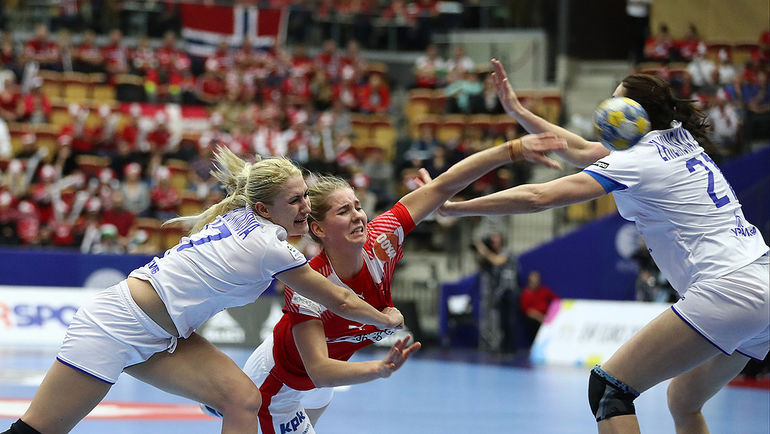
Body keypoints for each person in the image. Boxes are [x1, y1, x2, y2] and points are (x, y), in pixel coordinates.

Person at [439, 59, 770, 434]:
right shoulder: (677, 137)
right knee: (684, 400)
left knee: (610, 389)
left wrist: (457, 207)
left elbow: (538, 196)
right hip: (762, 282)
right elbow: (578, 148)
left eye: (616, 103)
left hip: (727, 289)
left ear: (636, 115)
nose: (606, 111)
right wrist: (518, 111)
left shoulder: (638, 161)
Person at [2, 147, 404, 434]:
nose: (306, 209)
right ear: (264, 209)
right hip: (116, 327)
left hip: (168, 337)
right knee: (38, 430)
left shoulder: (245, 217)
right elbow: (340, 299)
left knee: (243, 400)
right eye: (296, 200)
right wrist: (385, 318)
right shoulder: (269, 245)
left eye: (306, 197)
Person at [203, 129, 568, 433]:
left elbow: (443, 187)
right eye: (344, 211)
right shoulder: (309, 283)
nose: (360, 216)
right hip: (284, 379)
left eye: (358, 206)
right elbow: (319, 368)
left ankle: (219, 402)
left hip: (320, 387)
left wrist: (512, 148)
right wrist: (379, 368)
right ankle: (223, 400)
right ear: (318, 229)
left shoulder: (383, 238)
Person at [519, 270, 559, 345]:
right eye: (532, 281)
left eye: (536, 280)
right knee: (531, 321)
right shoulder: (526, 294)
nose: (534, 283)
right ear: (529, 281)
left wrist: (550, 315)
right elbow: (528, 311)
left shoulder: (544, 291)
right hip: (534, 319)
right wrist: (541, 318)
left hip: (546, 316)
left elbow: (556, 300)